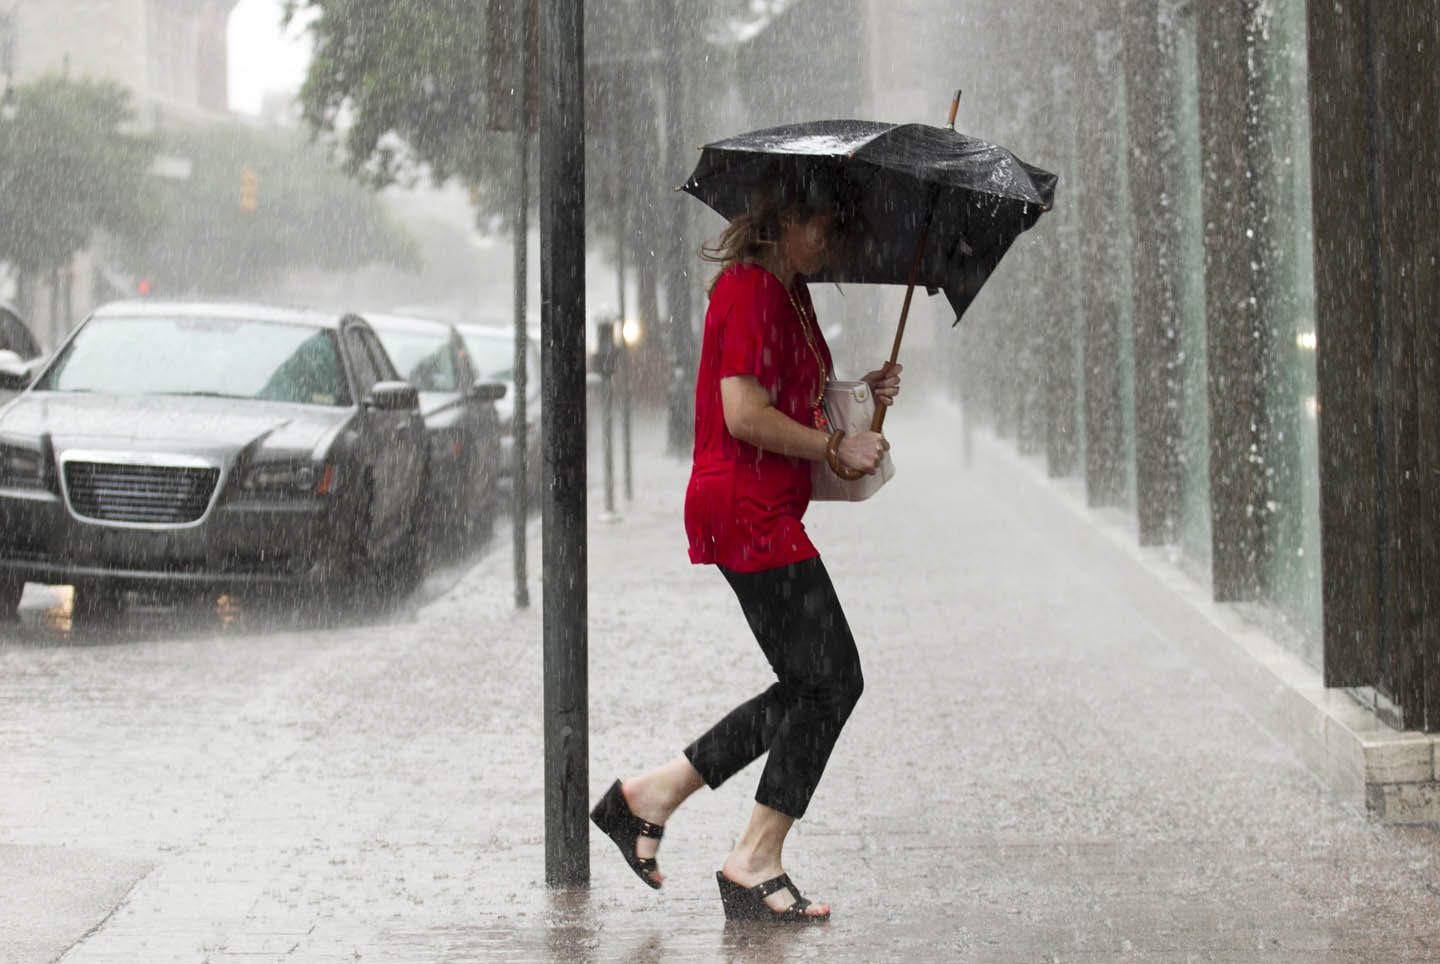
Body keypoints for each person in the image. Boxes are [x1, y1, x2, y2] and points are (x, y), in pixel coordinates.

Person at [591, 174, 901, 923]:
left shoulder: (789, 294)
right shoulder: (750, 291)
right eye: (822, 229)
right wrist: (834, 443)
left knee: (808, 684)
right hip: (745, 508)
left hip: (762, 508)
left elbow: (796, 398)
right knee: (834, 680)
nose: (828, 244)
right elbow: (743, 414)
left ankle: (650, 798)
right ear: (786, 219)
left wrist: (864, 395)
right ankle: (751, 859)